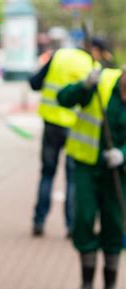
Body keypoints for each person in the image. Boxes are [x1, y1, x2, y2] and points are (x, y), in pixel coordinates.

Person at [58, 67, 126, 289]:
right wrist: (84, 85)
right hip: (87, 164)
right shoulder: (103, 81)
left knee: (114, 222)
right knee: (84, 218)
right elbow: (63, 98)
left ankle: (110, 285)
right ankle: (86, 283)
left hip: (118, 172)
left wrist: (123, 154)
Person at [29, 47, 95, 238]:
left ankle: (39, 221)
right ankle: (71, 226)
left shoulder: (57, 56)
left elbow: (35, 83)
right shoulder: (90, 64)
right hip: (75, 128)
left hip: (51, 124)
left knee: (47, 174)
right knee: (72, 178)